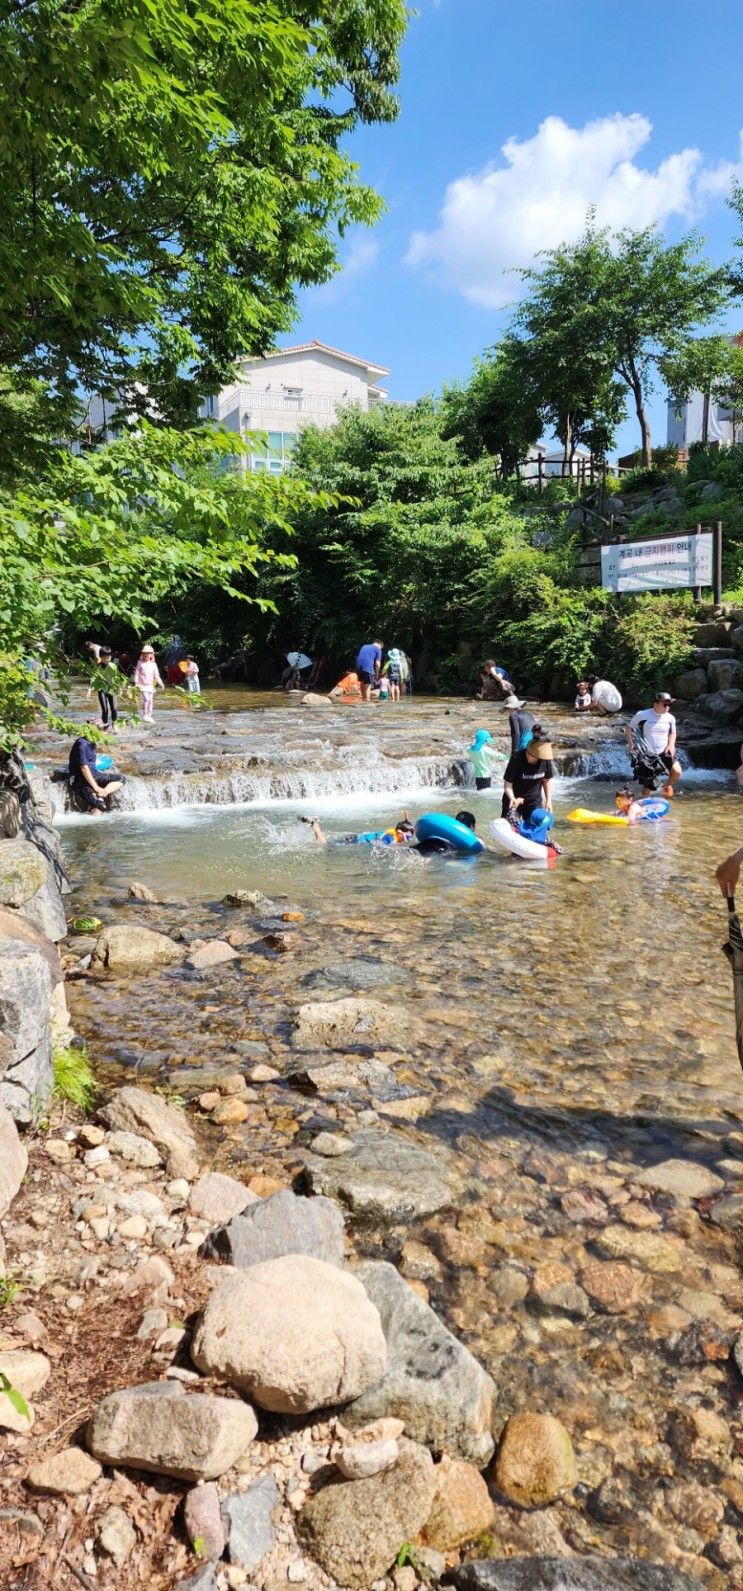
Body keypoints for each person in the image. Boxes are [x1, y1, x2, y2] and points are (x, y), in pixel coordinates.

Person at [304, 810, 481, 856]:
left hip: (355, 838)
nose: (410, 837)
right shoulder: (391, 837)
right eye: (408, 834)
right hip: (355, 841)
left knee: (326, 846)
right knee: (325, 847)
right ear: (471, 827)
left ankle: (316, 827)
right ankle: (316, 826)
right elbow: (383, 846)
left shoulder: (395, 834)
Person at [626, 692, 681, 798]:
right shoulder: (642, 715)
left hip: (664, 751)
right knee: (648, 787)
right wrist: (631, 744)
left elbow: (673, 732)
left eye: (669, 704)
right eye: (665, 704)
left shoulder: (670, 718)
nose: (667, 707)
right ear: (655, 704)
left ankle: (665, 786)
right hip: (648, 754)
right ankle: (644, 805)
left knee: (677, 772)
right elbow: (629, 728)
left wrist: (671, 745)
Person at [68, 726, 123, 814]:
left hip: (94, 774)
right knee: (98, 805)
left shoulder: (92, 742)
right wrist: (96, 787)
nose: (106, 733)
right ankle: (93, 821)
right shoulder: (81, 744)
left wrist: (102, 791)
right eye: (104, 730)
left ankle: (104, 793)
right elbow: (84, 768)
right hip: (80, 779)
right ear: (95, 731)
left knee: (121, 779)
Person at [502, 733, 555, 820]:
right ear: (529, 752)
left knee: (536, 827)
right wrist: (513, 799)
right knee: (509, 828)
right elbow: (508, 784)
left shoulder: (545, 760)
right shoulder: (516, 758)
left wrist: (548, 800)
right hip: (515, 799)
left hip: (534, 801)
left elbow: (546, 780)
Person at [87, 645, 119, 731]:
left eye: (109, 655)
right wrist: (89, 690)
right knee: (105, 709)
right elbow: (93, 678)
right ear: (101, 657)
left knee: (114, 708)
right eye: (105, 656)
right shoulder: (98, 667)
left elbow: (116, 678)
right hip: (102, 690)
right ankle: (105, 727)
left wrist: (118, 688)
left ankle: (114, 723)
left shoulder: (113, 666)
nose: (107, 658)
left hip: (111, 689)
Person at [133, 644, 165, 722]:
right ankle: (144, 715)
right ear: (142, 654)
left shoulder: (153, 665)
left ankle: (149, 715)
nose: (146, 655)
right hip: (142, 685)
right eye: (144, 653)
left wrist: (161, 684)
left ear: (151, 655)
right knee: (146, 699)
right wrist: (136, 682)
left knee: (151, 700)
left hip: (150, 685)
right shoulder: (140, 663)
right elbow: (137, 673)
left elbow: (156, 675)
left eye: (148, 653)